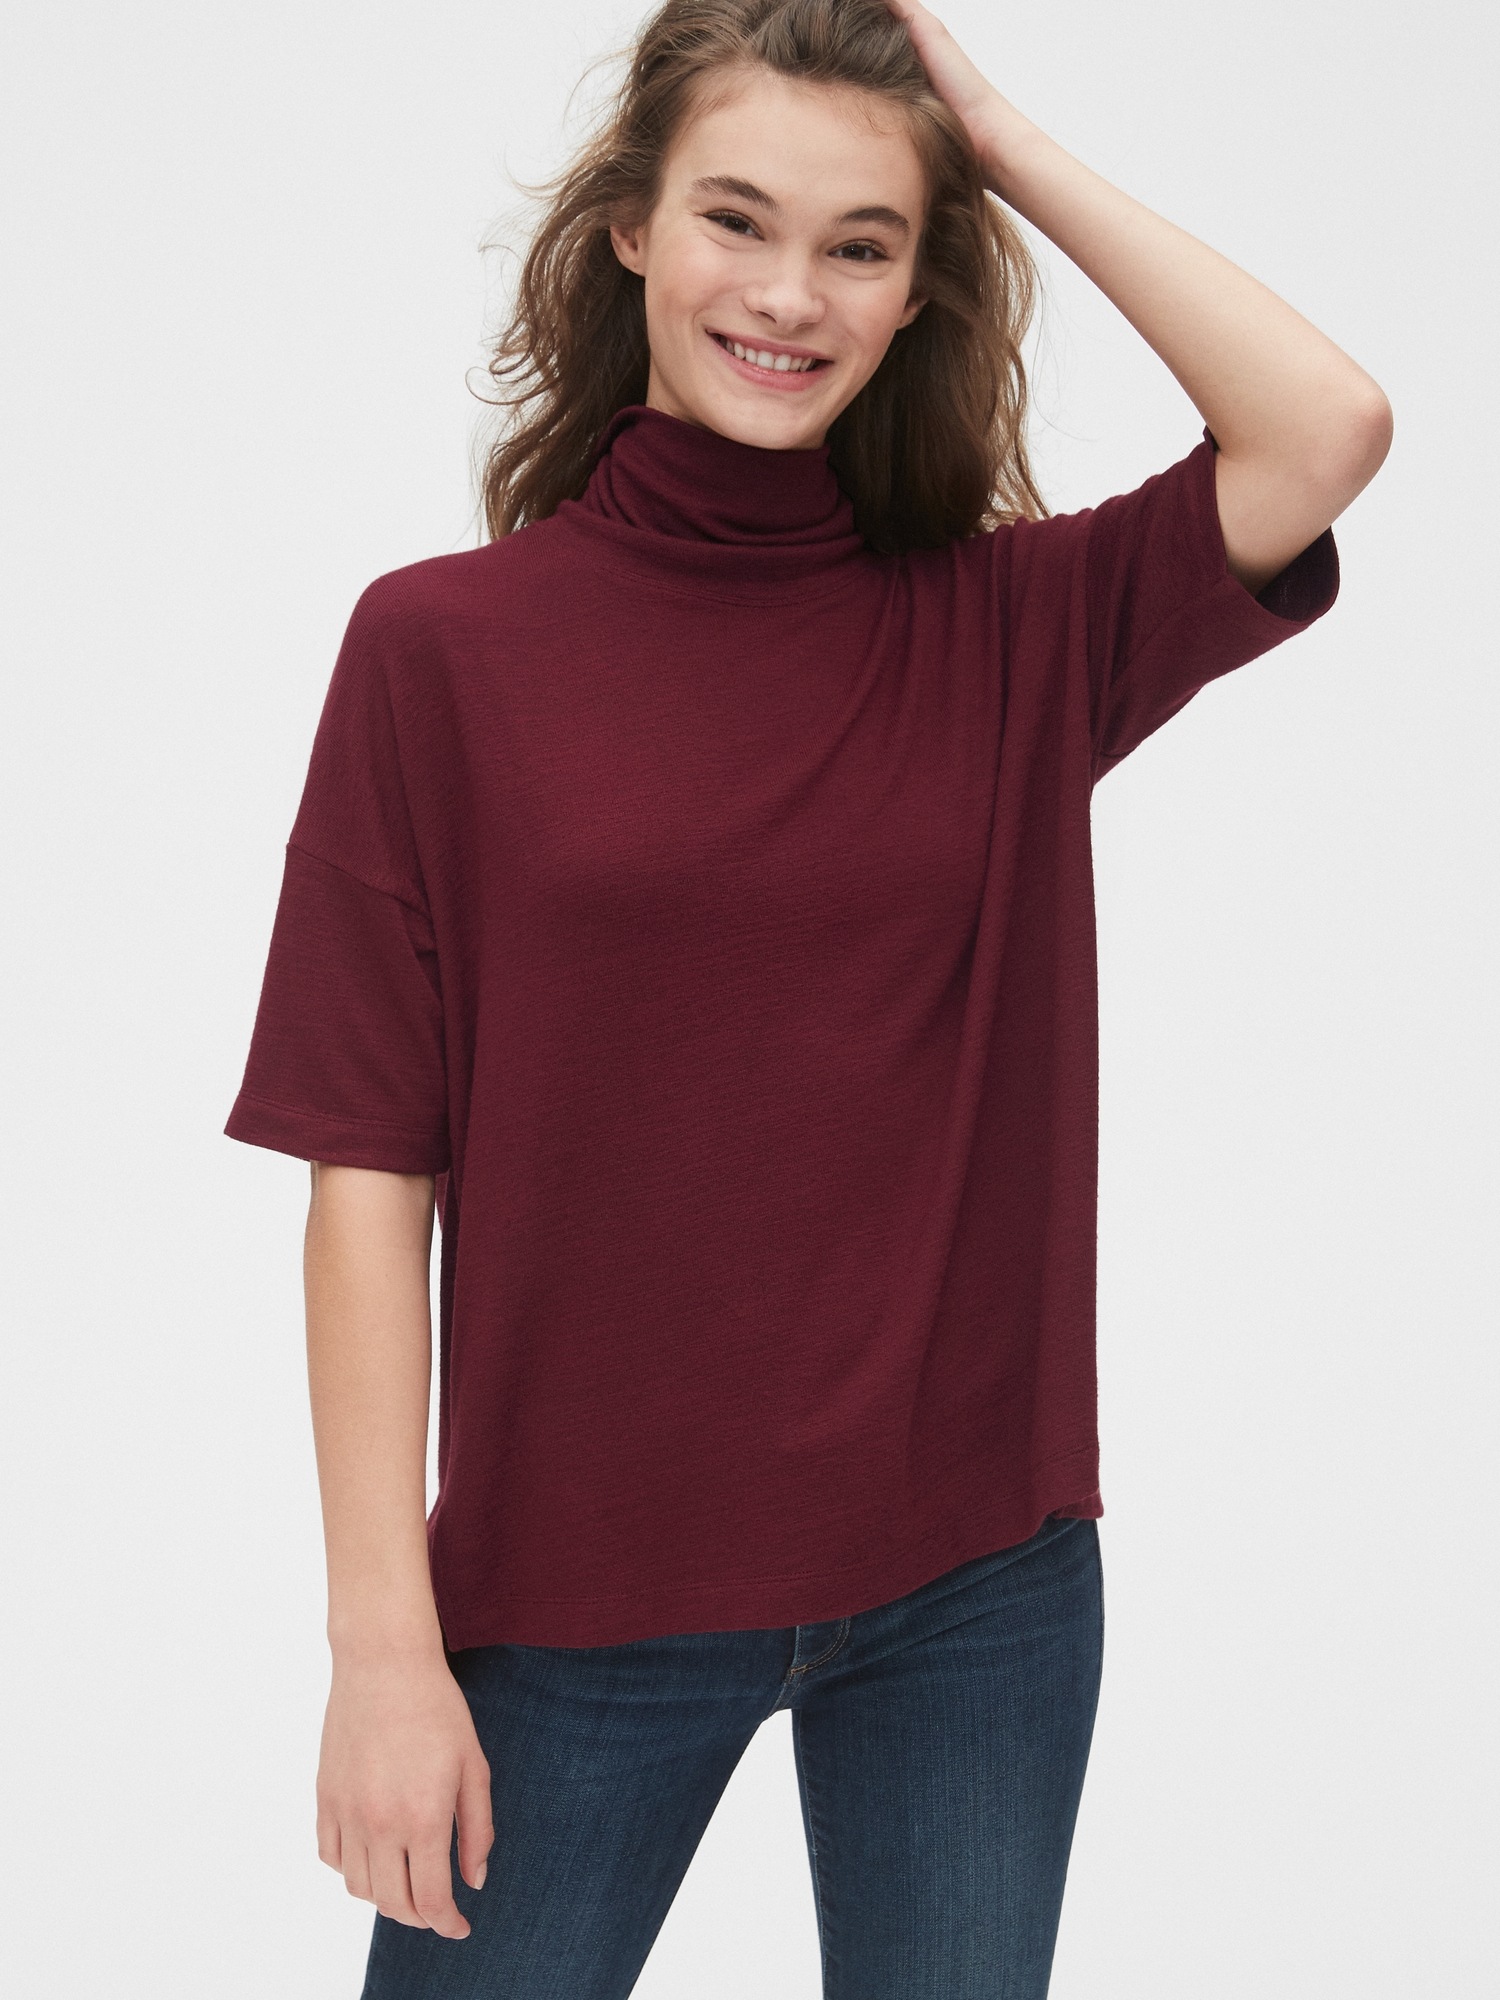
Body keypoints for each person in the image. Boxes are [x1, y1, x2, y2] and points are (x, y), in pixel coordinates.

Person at [225, 1, 1391, 1993]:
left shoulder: (1014, 631)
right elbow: (364, 1171)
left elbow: (1326, 427)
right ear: (630, 228)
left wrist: (994, 139)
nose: (789, 295)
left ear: (920, 286)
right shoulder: (443, 653)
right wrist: (382, 1647)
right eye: (737, 219)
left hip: (978, 1589)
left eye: (861, 243)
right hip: (576, 1600)